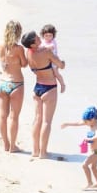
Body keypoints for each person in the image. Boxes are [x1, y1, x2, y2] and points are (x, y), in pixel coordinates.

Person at [24, 29, 64, 160]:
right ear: (33, 44)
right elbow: (60, 65)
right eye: (36, 38)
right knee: (46, 122)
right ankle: (43, 152)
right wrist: (63, 62)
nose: (38, 38)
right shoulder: (46, 52)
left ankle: (35, 150)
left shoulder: (28, 52)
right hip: (49, 88)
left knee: (37, 119)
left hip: (37, 88)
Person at [0, 19, 26, 154]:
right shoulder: (19, 48)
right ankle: (13, 146)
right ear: (18, 33)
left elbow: (4, 62)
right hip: (16, 83)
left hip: (3, 83)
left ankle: (5, 144)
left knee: (3, 116)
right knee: (14, 117)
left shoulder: (0, 45)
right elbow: (24, 64)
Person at [60, 106, 97, 189]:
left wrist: (88, 139)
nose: (85, 123)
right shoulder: (91, 122)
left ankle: (90, 183)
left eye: (86, 121)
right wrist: (67, 124)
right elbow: (78, 123)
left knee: (84, 165)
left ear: (93, 119)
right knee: (93, 167)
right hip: (94, 151)